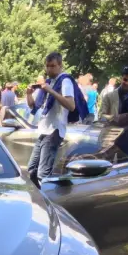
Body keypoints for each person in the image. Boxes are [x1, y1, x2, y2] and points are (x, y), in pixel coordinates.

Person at [25, 52, 76, 184]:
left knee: (43, 173)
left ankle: (45, 201)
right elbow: (33, 106)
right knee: (31, 169)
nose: (49, 69)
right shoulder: (48, 82)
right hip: (43, 129)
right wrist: (29, 94)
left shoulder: (65, 81)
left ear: (60, 65)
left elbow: (71, 105)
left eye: (52, 66)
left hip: (54, 130)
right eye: (47, 66)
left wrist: (51, 91)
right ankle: (36, 198)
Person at [99, 65, 128, 158]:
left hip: (127, 141)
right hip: (109, 139)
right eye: (125, 79)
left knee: (123, 169)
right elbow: (100, 116)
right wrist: (115, 118)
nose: (127, 83)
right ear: (121, 78)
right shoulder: (109, 96)